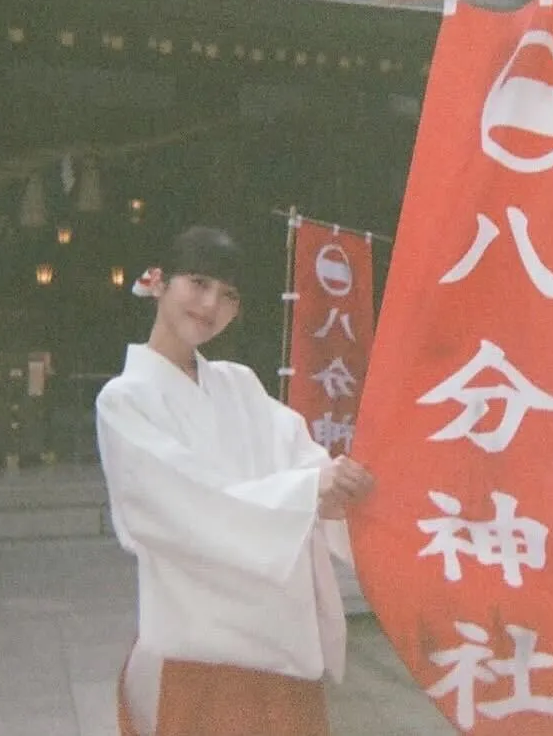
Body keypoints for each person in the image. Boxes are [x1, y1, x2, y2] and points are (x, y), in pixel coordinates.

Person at [96, 226, 375, 736]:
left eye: (228, 295)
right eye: (198, 283)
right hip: (196, 648)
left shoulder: (238, 384)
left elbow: (305, 462)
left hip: (282, 643)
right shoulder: (125, 399)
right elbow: (182, 508)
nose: (210, 304)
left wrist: (335, 493)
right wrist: (307, 493)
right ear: (157, 281)